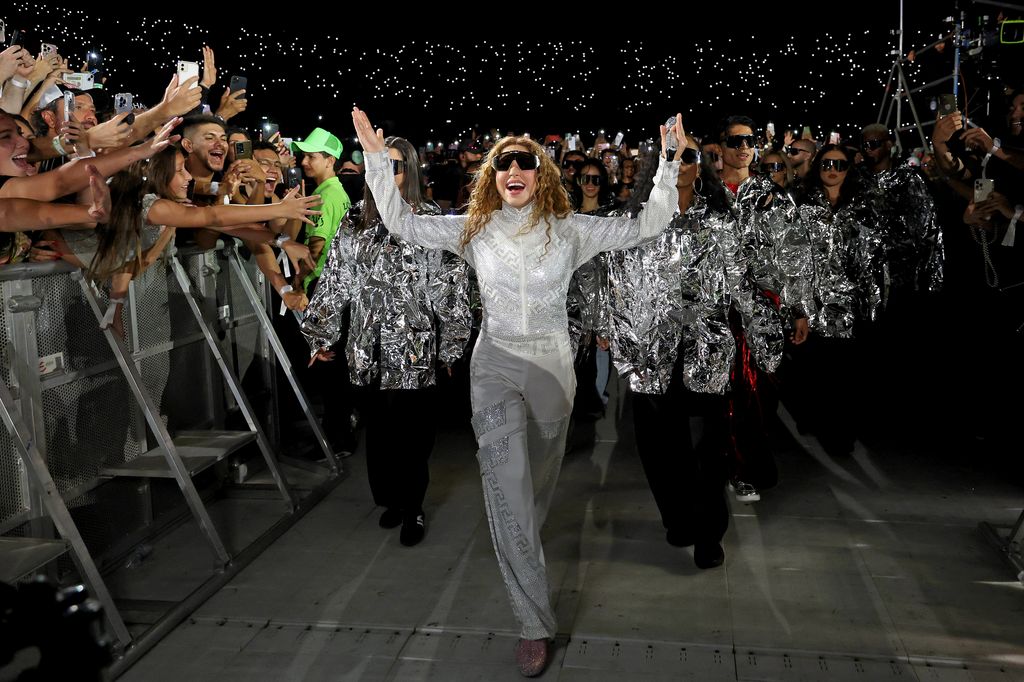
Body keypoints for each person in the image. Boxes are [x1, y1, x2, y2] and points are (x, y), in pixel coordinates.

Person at [353, 106, 685, 678]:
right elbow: (402, 223)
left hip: (554, 368)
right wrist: (379, 164)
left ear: (541, 174)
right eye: (503, 161)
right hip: (495, 368)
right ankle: (534, 623)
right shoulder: (473, 229)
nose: (513, 168)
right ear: (492, 174)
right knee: (508, 488)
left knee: (536, 485)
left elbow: (647, 224)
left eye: (524, 161)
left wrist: (671, 162)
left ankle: (521, 537)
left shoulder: (572, 231)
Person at [303, 136, 473, 547]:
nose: (389, 173)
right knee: (378, 431)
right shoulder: (355, 220)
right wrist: (322, 334)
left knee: (413, 432)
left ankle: (413, 505)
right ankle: (392, 500)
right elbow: (336, 281)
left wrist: (451, 344)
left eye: (396, 165)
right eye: (382, 165)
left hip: (416, 348)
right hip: (367, 347)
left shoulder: (431, 220)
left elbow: (451, 286)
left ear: (410, 171)